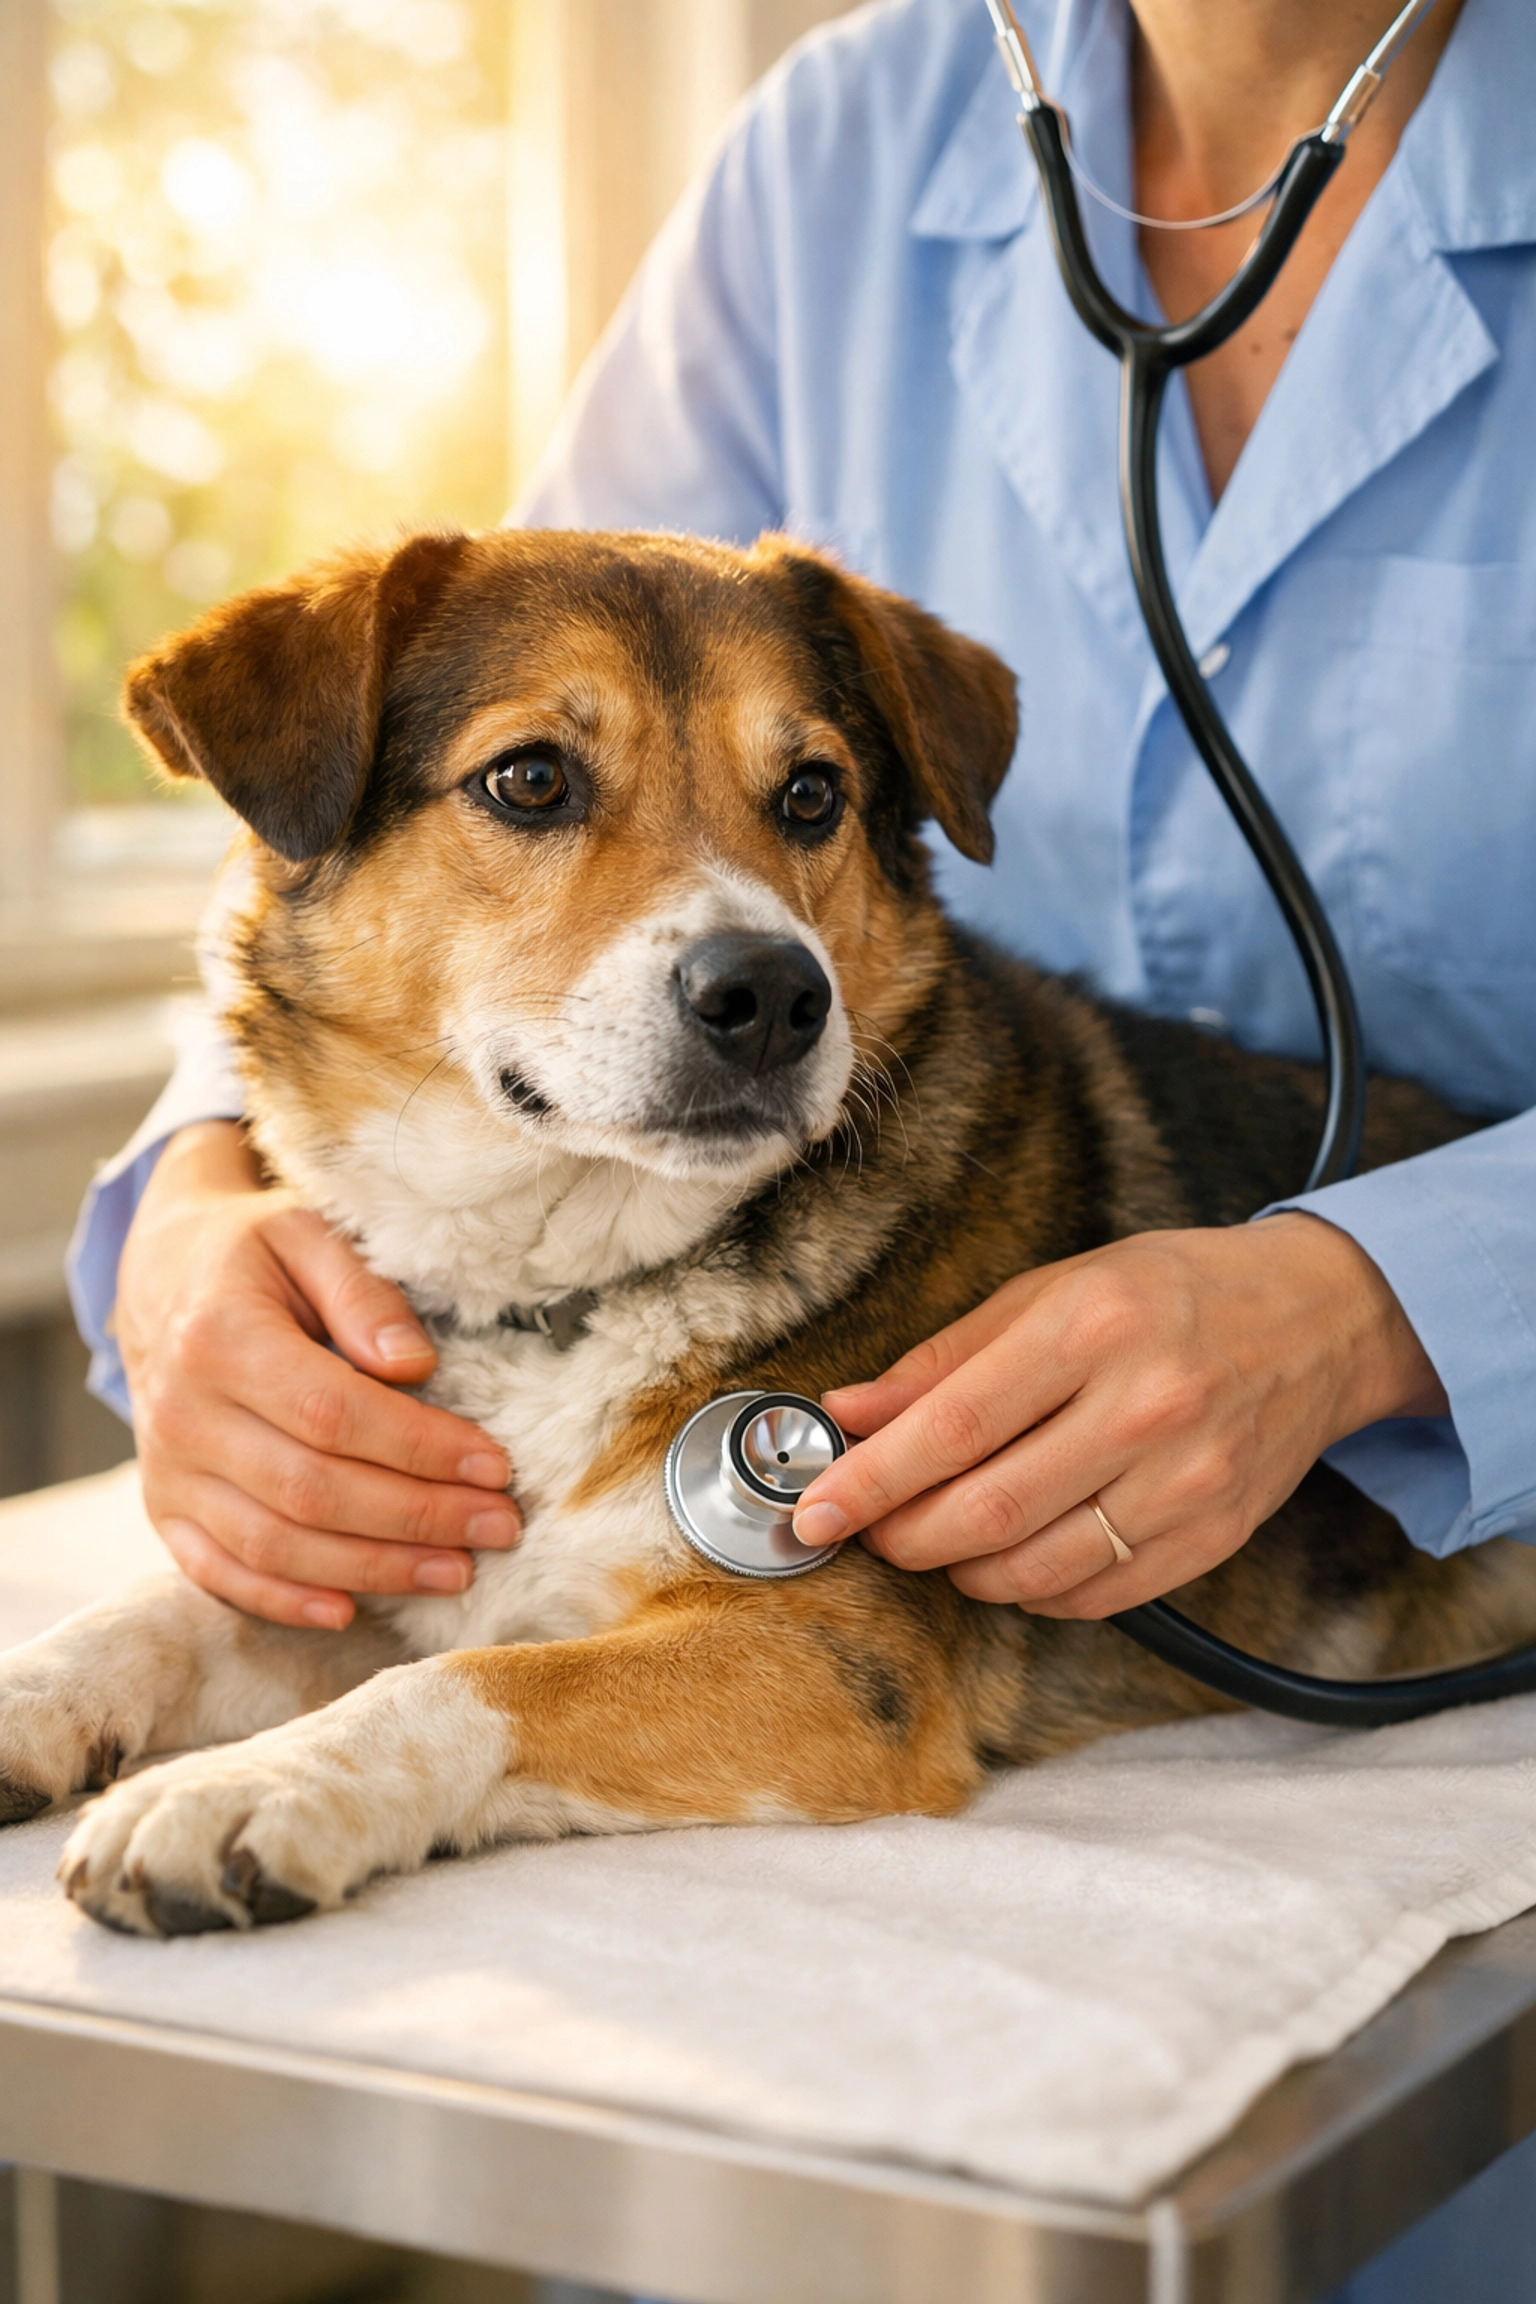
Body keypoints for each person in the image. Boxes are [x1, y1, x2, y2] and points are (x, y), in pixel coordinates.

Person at [68, 2, 1536, 2288]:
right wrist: (193, 1213)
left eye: (805, 806)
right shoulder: (844, 144)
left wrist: (1389, 1303)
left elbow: (830, 1691)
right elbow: (396, 779)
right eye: (557, 802)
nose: (738, 929)